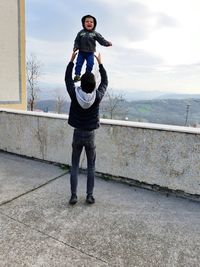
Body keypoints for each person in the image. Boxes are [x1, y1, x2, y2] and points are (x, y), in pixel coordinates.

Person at [65, 51, 108, 205]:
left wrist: (71, 61)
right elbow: (105, 82)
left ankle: (73, 196)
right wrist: (101, 65)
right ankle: (89, 196)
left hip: (77, 134)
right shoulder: (97, 96)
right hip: (90, 135)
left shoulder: (74, 94)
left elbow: (67, 80)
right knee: (91, 166)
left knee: (75, 165)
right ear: (93, 85)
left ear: (81, 84)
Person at [73, 14, 112, 82]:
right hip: (81, 52)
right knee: (79, 63)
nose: (89, 23)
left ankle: (87, 75)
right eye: (87, 21)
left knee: (90, 64)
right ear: (83, 23)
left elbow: (101, 40)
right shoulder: (81, 33)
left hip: (90, 53)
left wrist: (107, 43)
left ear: (94, 24)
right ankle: (77, 75)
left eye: (91, 22)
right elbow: (77, 40)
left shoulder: (95, 33)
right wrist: (76, 47)